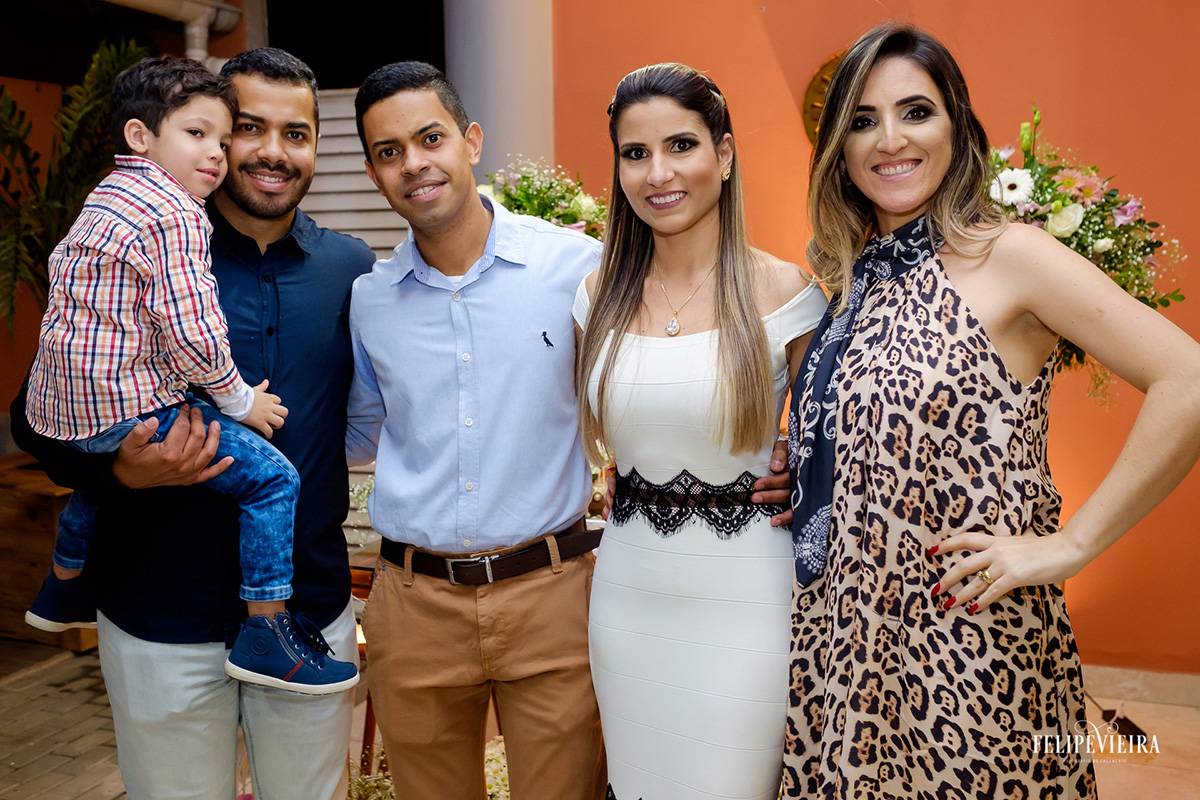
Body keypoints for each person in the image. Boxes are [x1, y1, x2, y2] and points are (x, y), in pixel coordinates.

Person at [783, 24, 1200, 799]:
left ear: (958, 127)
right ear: (838, 149)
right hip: (846, 645)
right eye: (864, 121)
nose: (890, 140)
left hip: (970, 646)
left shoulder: (1010, 255)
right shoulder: (853, 284)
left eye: (916, 111)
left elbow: (1189, 380)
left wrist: (1069, 545)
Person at [12, 47, 376, 800]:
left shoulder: (353, 268)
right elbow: (36, 412)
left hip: (304, 610)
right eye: (247, 127)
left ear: (316, 147)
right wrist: (116, 469)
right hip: (157, 611)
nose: (272, 151)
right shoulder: (149, 240)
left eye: (297, 133)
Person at [347, 61, 608, 800]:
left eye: (429, 138)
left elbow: (624, 397)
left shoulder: (575, 267)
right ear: (373, 173)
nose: (413, 164)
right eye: (389, 152)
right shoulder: (371, 300)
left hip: (552, 592)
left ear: (471, 141)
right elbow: (363, 433)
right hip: (415, 603)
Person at [574, 63, 826, 800]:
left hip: (747, 594)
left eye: (681, 145)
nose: (658, 173)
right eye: (635, 153)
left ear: (724, 154)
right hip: (627, 590)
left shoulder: (786, 292)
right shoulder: (595, 294)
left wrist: (794, 467)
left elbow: (830, 449)